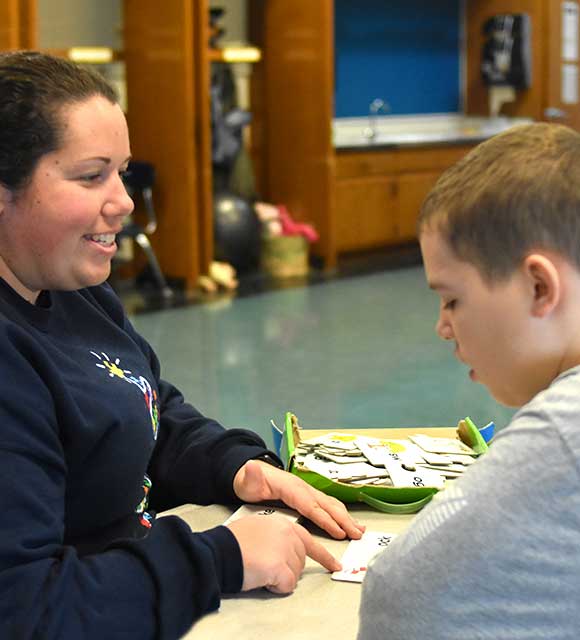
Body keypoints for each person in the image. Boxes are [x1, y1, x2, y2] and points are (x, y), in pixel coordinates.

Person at [0, 51, 364, 639]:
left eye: (121, 171)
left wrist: (233, 466)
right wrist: (221, 558)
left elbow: (144, 407)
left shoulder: (73, 289)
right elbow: (24, 610)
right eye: (91, 176)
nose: (123, 201)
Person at [358, 122, 580, 639]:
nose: (442, 326)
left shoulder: (564, 430)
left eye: (453, 299)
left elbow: (402, 600)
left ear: (538, 286)